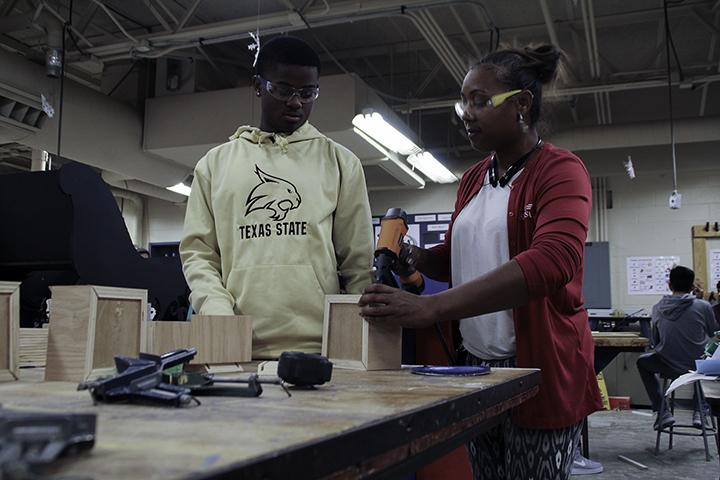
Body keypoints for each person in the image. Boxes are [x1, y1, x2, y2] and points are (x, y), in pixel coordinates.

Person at [359, 44, 602, 480]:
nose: (465, 114)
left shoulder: (560, 170)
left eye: (480, 101)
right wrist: (414, 257)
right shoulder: (473, 178)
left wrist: (432, 307)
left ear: (522, 105)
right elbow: (455, 259)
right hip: (474, 366)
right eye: (463, 102)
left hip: (536, 367)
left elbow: (553, 261)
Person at [180, 36, 373, 359]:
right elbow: (198, 254)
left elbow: (358, 265)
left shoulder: (341, 163)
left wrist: (353, 340)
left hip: (321, 348)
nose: (296, 102)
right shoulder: (214, 165)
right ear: (258, 86)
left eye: (307, 93)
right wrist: (218, 313)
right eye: (283, 90)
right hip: (234, 343)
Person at [636, 265, 718, 430]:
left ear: (670, 285)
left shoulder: (657, 308)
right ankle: (700, 412)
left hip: (668, 366)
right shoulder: (703, 306)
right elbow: (713, 333)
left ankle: (662, 411)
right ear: (692, 286)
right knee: (710, 351)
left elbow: (656, 341)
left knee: (642, 362)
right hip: (698, 368)